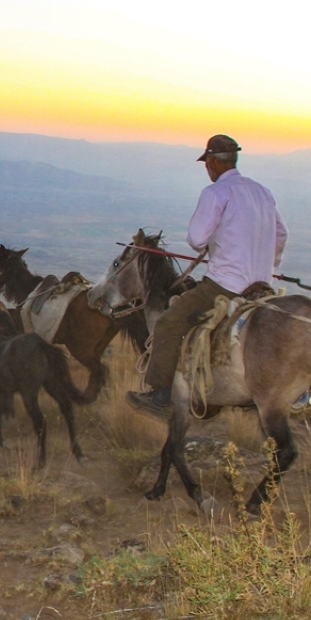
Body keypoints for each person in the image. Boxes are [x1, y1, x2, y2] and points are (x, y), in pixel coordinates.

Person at [127, 134, 288, 415]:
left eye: (207, 163)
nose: (207, 168)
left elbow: (196, 239)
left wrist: (216, 238)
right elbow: (282, 234)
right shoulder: (262, 191)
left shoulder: (216, 193)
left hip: (226, 285)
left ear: (212, 162)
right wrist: (269, 267)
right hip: (262, 286)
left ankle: (160, 392)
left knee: (168, 323)